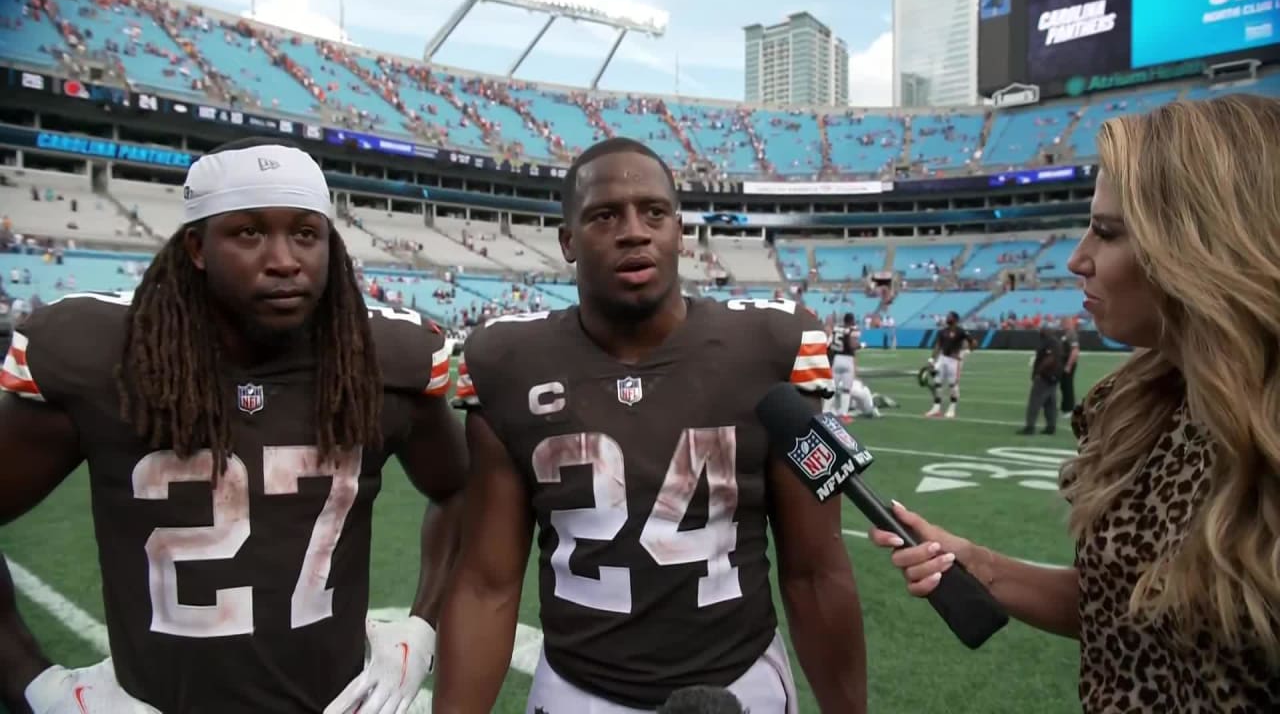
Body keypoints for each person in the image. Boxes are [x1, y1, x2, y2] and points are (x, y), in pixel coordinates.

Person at [0, 138, 467, 714]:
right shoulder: (103, 357)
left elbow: (462, 489)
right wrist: (33, 680)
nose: (283, 259)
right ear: (196, 246)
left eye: (305, 233)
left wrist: (422, 628)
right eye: (249, 232)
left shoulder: (381, 362)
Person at [870, 95, 1280, 711]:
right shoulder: (1138, 409)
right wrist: (979, 564)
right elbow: (1119, 613)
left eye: (1108, 232)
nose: (1076, 258)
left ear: (1203, 245)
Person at [432, 137, 867, 714]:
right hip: (575, 690)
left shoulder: (770, 347)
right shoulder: (507, 362)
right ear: (568, 241)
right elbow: (487, 583)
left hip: (740, 682)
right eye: (604, 215)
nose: (634, 231)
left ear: (679, 232)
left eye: (654, 213)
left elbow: (815, 571)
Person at [924, 311, 970, 418]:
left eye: (949, 317)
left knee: (952, 385)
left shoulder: (960, 331)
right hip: (942, 358)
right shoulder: (942, 332)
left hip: (954, 361)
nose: (947, 318)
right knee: (937, 383)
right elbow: (938, 346)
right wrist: (931, 359)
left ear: (955, 319)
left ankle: (952, 408)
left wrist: (963, 353)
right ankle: (936, 408)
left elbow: (968, 343)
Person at [1018, 326, 1062, 435]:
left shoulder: (1050, 343)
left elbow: (1050, 359)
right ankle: (1051, 426)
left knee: (1035, 402)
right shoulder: (1055, 342)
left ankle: (1030, 427)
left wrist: (1038, 371)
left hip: (1045, 376)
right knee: (1050, 403)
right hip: (1054, 376)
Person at [1058, 316, 1079, 416]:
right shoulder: (1066, 334)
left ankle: (1069, 409)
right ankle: (1065, 407)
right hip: (1064, 363)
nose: (1061, 325)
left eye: (1063, 322)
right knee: (1064, 385)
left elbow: (1075, 351)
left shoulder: (1071, 334)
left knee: (1067, 386)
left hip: (1068, 363)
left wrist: (1068, 365)